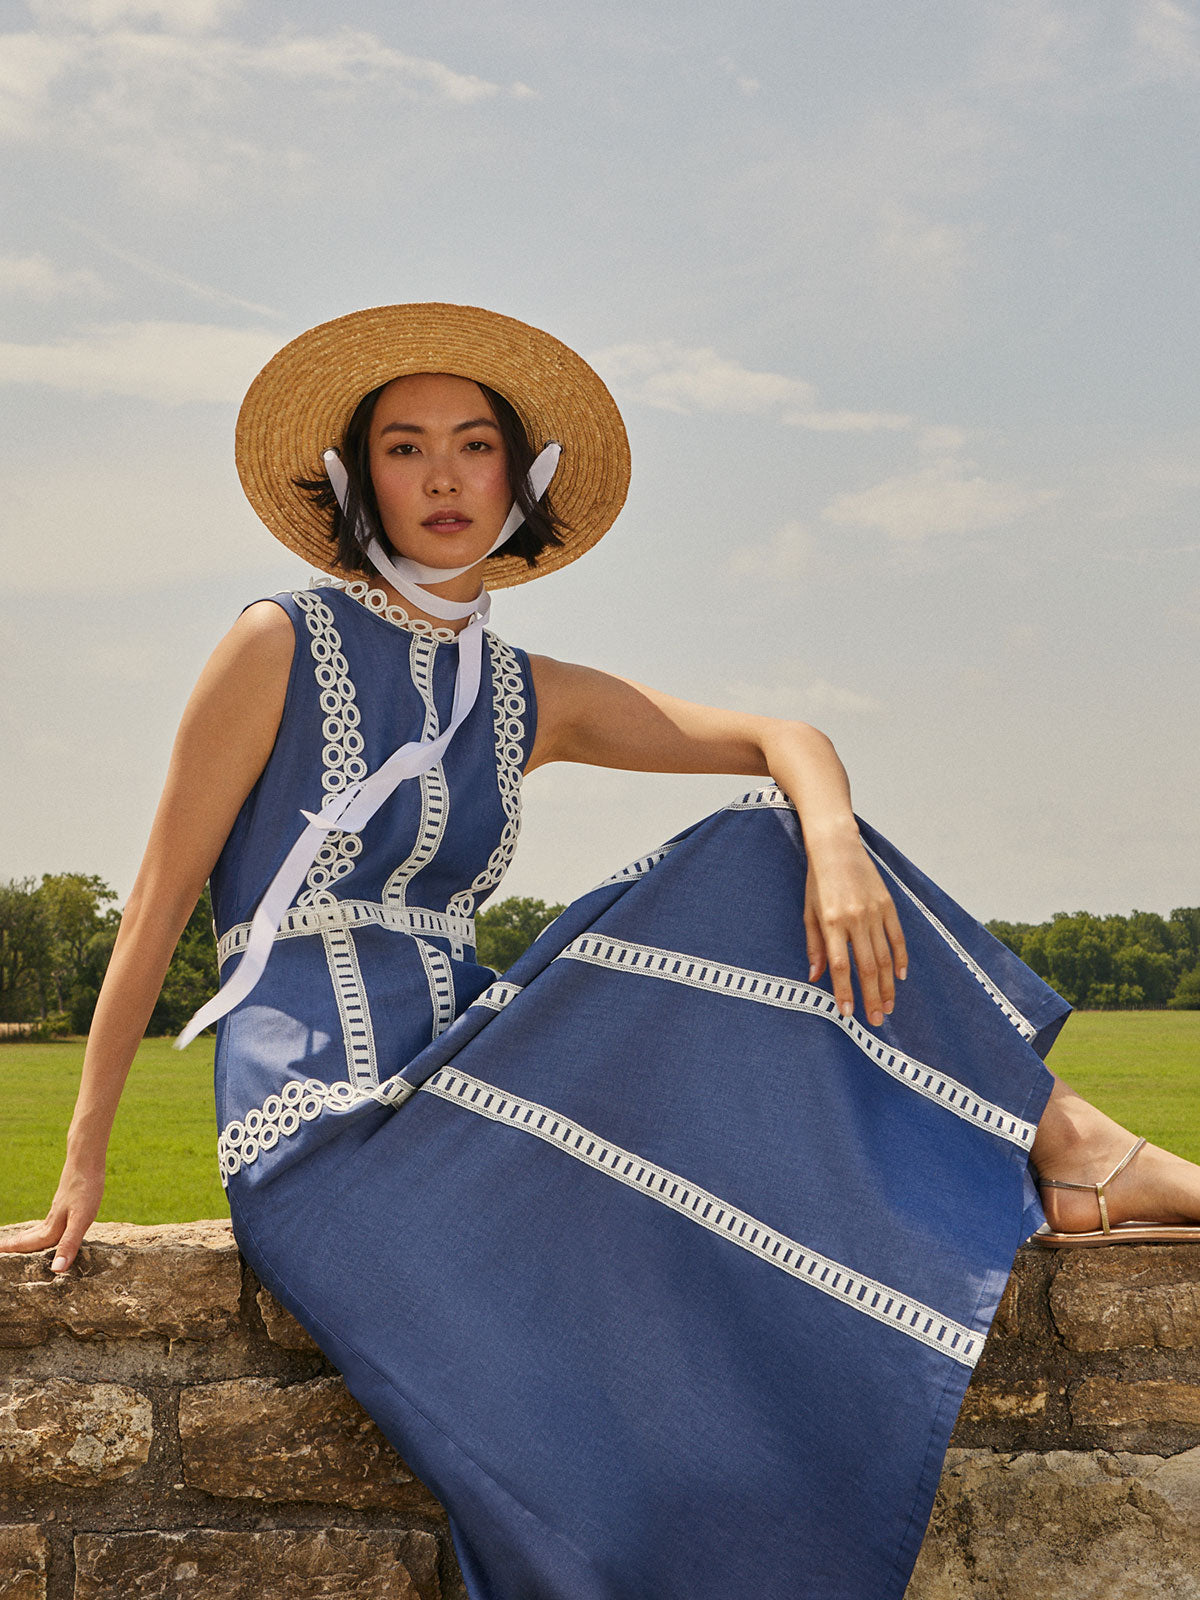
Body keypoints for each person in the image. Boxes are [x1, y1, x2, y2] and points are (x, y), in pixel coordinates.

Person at [4, 302, 1200, 1600]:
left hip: (468, 1090)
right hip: (323, 1137)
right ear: (358, 480)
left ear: (524, 480)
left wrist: (836, 836)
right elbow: (164, 895)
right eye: (407, 447)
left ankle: (1062, 1140)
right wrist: (84, 1160)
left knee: (759, 849)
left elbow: (778, 735)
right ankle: (1068, 1154)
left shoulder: (527, 693)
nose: (448, 476)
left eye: (476, 444)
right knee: (594, 1397)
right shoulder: (276, 642)